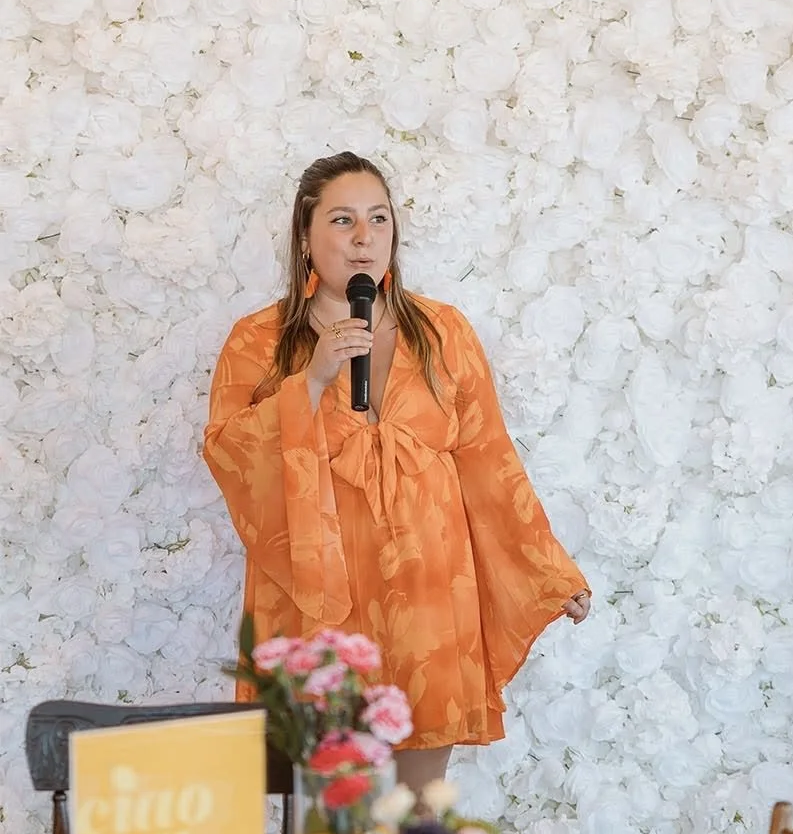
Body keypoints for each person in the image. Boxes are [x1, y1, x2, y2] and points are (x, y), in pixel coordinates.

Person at [204, 151, 591, 791]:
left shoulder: (443, 332)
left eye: (378, 220)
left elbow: (489, 459)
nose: (364, 238)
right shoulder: (259, 341)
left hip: (431, 597)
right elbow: (229, 453)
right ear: (306, 235)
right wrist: (312, 381)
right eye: (343, 220)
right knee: (335, 819)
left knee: (416, 814)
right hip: (323, 599)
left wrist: (545, 568)